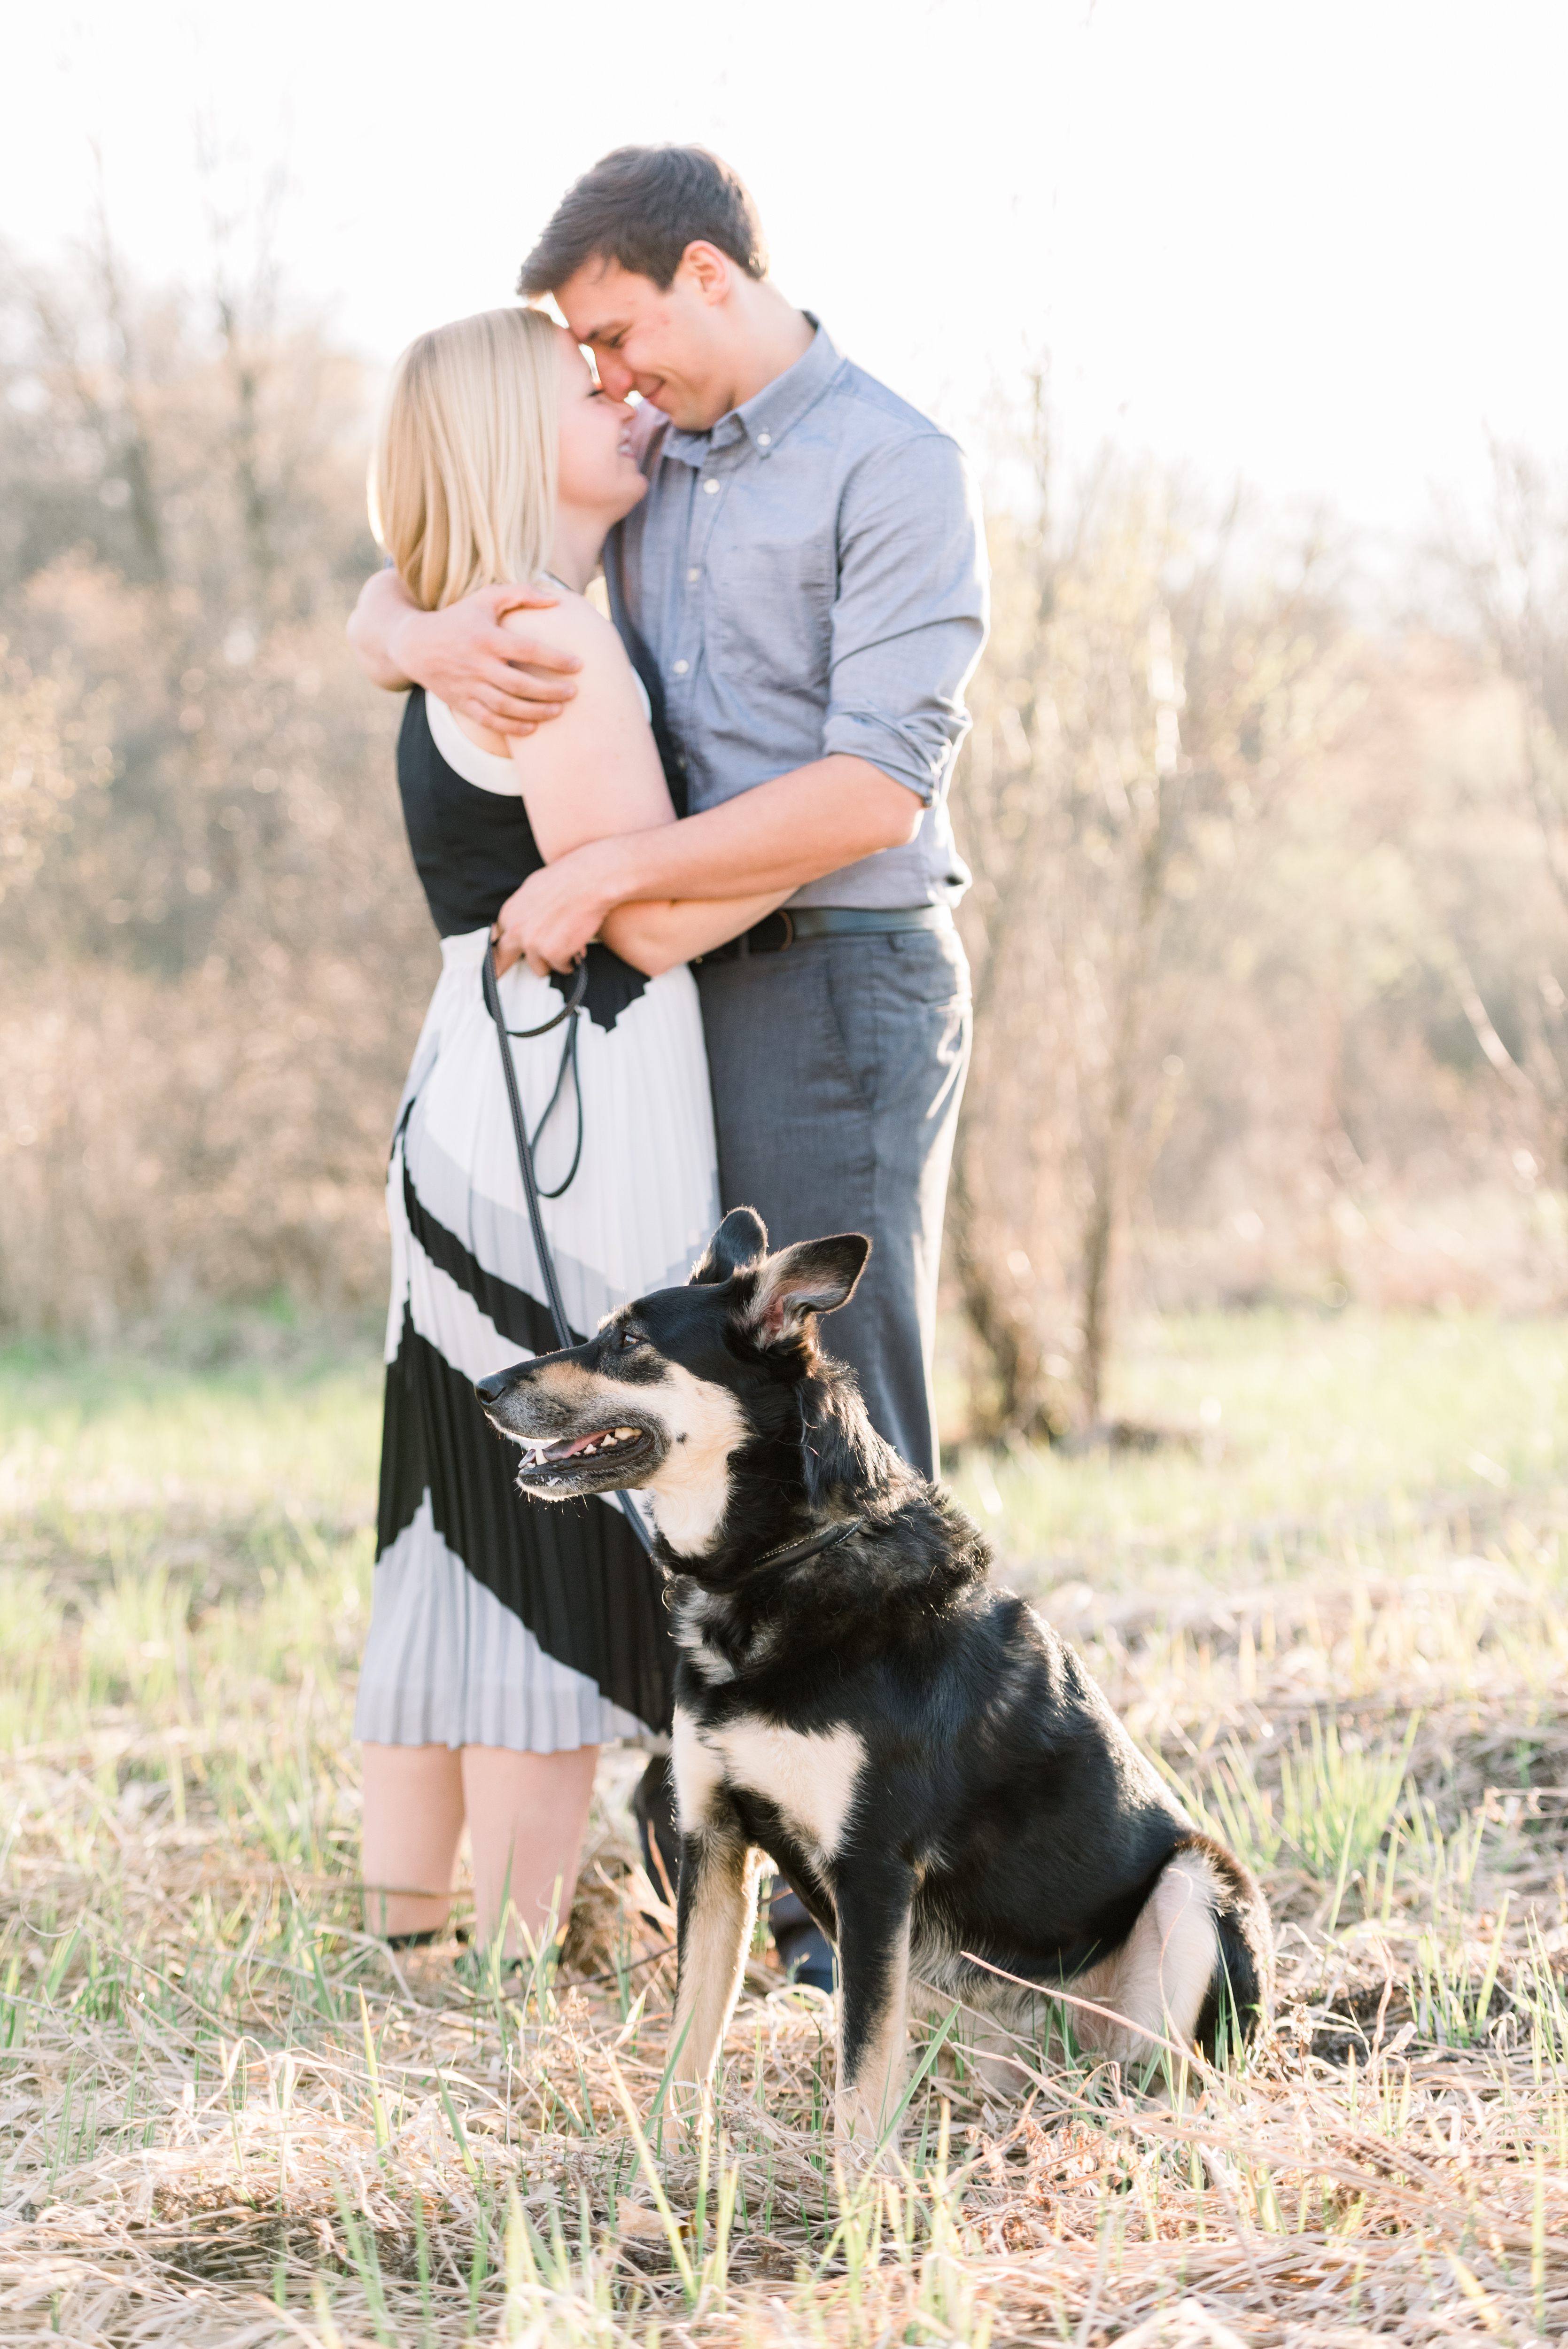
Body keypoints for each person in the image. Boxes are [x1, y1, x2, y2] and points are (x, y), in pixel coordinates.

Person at [349, 146, 989, 1982]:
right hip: (661, 1007)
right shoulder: (652, 469)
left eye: (621, 337)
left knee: (830, 1423)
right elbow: (435, 546)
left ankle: (871, 1908)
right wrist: (403, 627)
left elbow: (880, 786)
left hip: (833, 975)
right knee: (682, 1437)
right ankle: (721, 1851)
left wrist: (614, 868)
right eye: (584, 362)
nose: (610, 380)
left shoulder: (894, 463)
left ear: (710, 276)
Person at [355, 305, 784, 1960]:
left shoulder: (473, 626)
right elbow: (646, 918)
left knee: (450, 1528)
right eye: (579, 388)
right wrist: (859, 819)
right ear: (497, 441)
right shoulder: (556, 642)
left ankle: (411, 1952)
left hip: (475, 1085)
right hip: (568, 1105)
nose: (620, 400)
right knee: (558, 1511)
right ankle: (521, 1972)